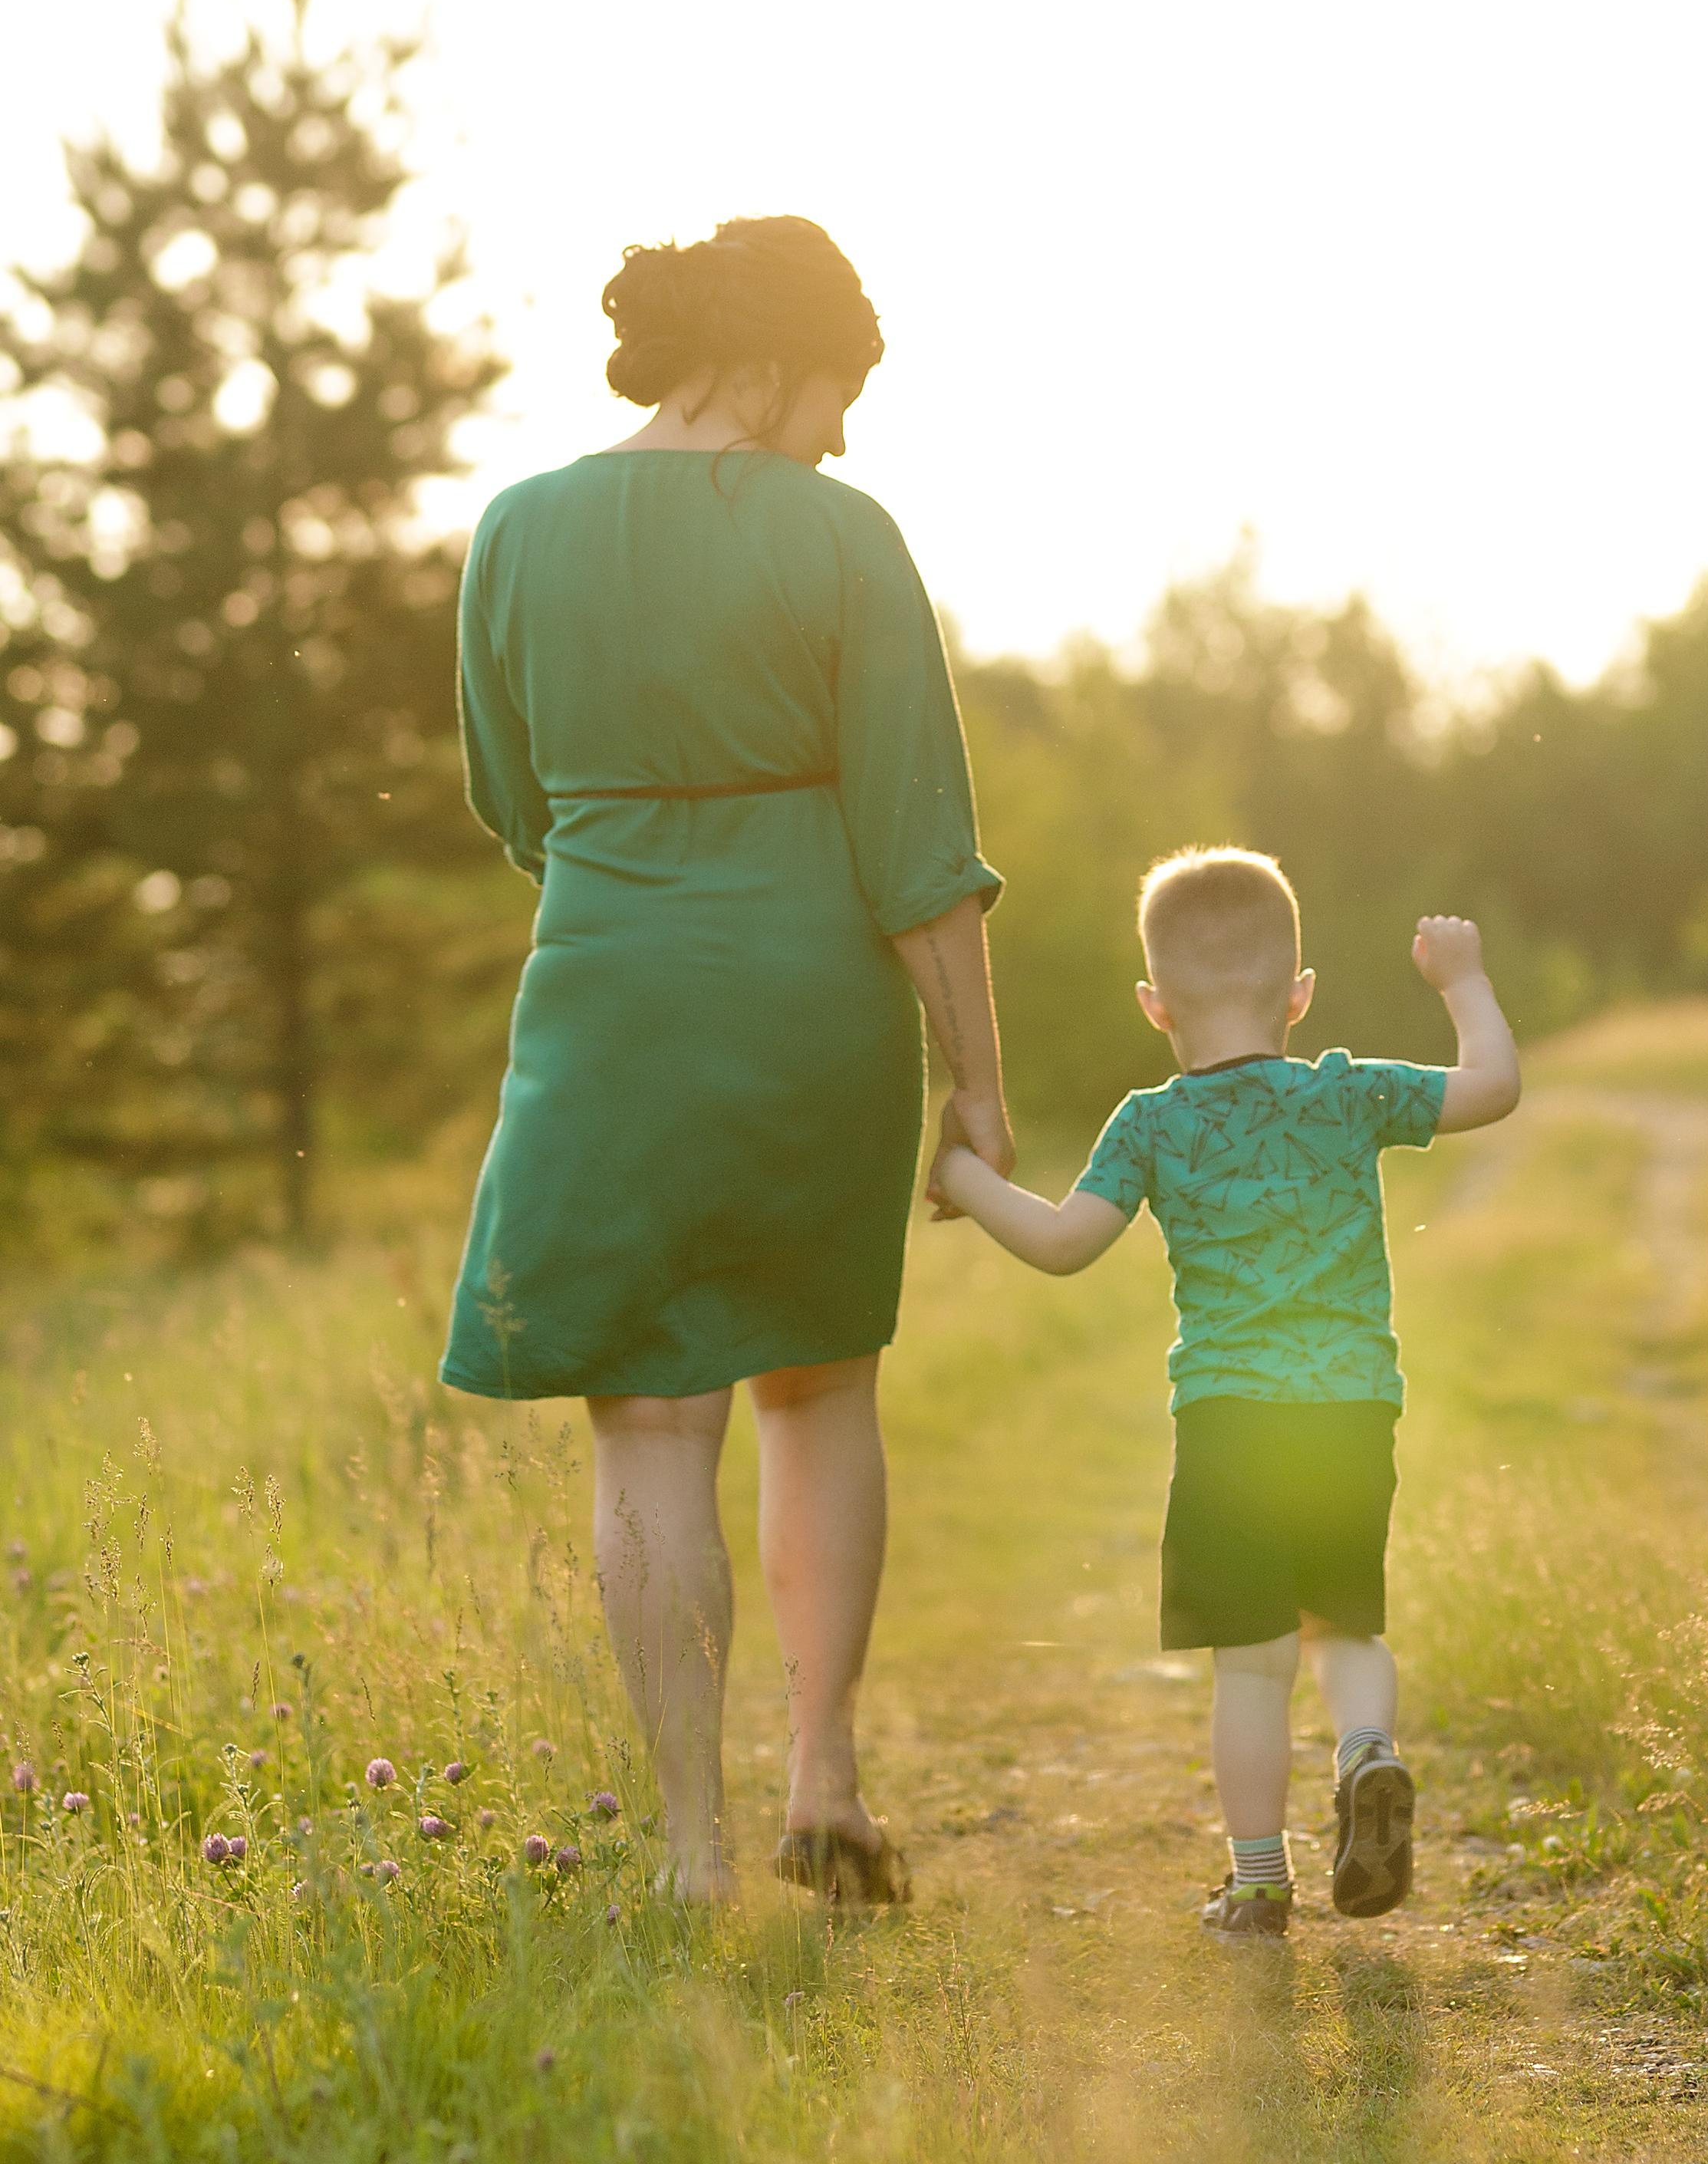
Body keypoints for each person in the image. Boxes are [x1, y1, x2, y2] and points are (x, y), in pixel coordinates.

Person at [442, 216, 1012, 1906]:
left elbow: (511, 801)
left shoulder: (516, 528)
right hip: (810, 1002)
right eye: (834, 394)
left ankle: (693, 1849)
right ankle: (823, 1777)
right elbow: (920, 846)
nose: (836, 437)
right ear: (764, 365)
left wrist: (638, 876)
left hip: (606, 991)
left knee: (647, 1417)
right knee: (818, 1385)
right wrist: (977, 1084)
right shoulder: (844, 538)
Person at [928, 847, 1519, 1939]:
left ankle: (1257, 1884)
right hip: (1351, 1414)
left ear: (1154, 1005)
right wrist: (1462, 980)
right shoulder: (1347, 1092)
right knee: (1345, 1627)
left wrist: (961, 1175)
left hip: (1229, 1426)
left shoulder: (1150, 1123)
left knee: (1251, 1669)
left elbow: (1062, 1244)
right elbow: (1493, 1088)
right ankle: (1367, 1753)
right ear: (1299, 993)